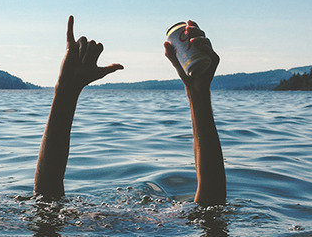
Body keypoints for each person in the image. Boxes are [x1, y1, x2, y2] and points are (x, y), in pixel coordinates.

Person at [34, 16, 226, 206]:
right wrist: (197, 94)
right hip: (168, 224)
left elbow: (46, 203)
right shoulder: (174, 221)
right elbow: (211, 207)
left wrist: (65, 91)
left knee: (47, 210)